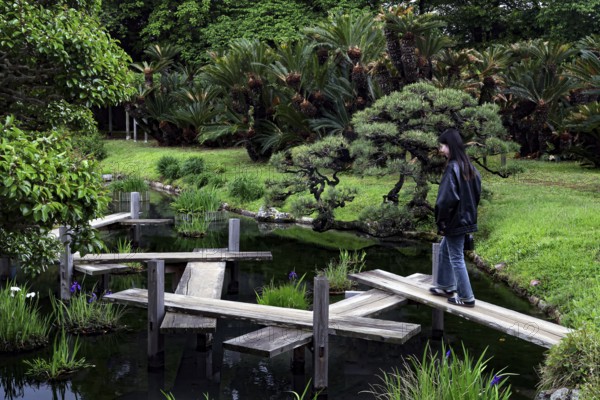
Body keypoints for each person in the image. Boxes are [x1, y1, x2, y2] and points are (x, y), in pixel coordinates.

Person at [429, 128, 481, 307]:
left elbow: (445, 200)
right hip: (466, 219)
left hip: (454, 220)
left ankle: (467, 297)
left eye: (443, 145)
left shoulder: (452, 168)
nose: (441, 150)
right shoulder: (470, 167)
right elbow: (476, 194)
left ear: (450, 146)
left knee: (456, 257)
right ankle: (445, 286)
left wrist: (441, 221)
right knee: (445, 249)